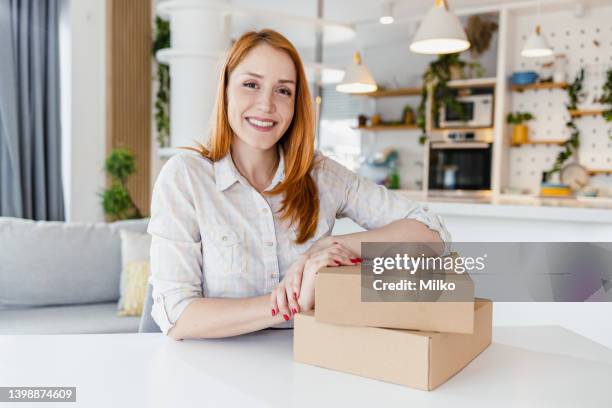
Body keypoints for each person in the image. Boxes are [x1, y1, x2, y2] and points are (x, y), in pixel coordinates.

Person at [147, 29, 451, 341]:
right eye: (251, 85)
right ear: (224, 91)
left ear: (296, 104)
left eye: (283, 91)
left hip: (309, 364)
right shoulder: (185, 177)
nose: (266, 104)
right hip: (213, 372)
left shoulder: (322, 175)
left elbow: (431, 234)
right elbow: (178, 316)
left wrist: (333, 248)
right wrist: (289, 303)